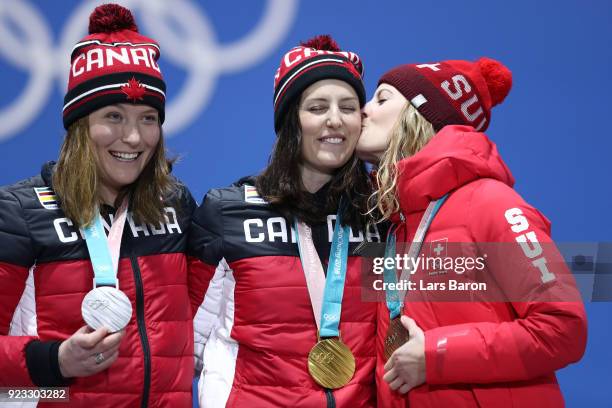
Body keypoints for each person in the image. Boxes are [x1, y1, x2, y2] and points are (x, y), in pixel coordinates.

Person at [356, 58, 587, 407]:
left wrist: (437, 354)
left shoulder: (490, 203)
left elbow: (563, 327)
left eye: (382, 99)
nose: (363, 111)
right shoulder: (392, 227)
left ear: (421, 116)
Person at [0, 4, 196, 407]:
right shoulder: (19, 212)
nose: (133, 137)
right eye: (113, 116)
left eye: (148, 118)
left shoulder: (174, 205)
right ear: (79, 125)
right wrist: (54, 362)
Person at [189, 35, 382, 407]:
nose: (335, 119)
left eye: (348, 106)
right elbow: (186, 345)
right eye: (317, 107)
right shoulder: (228, 212)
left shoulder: (381, 213)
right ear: (290, 121)